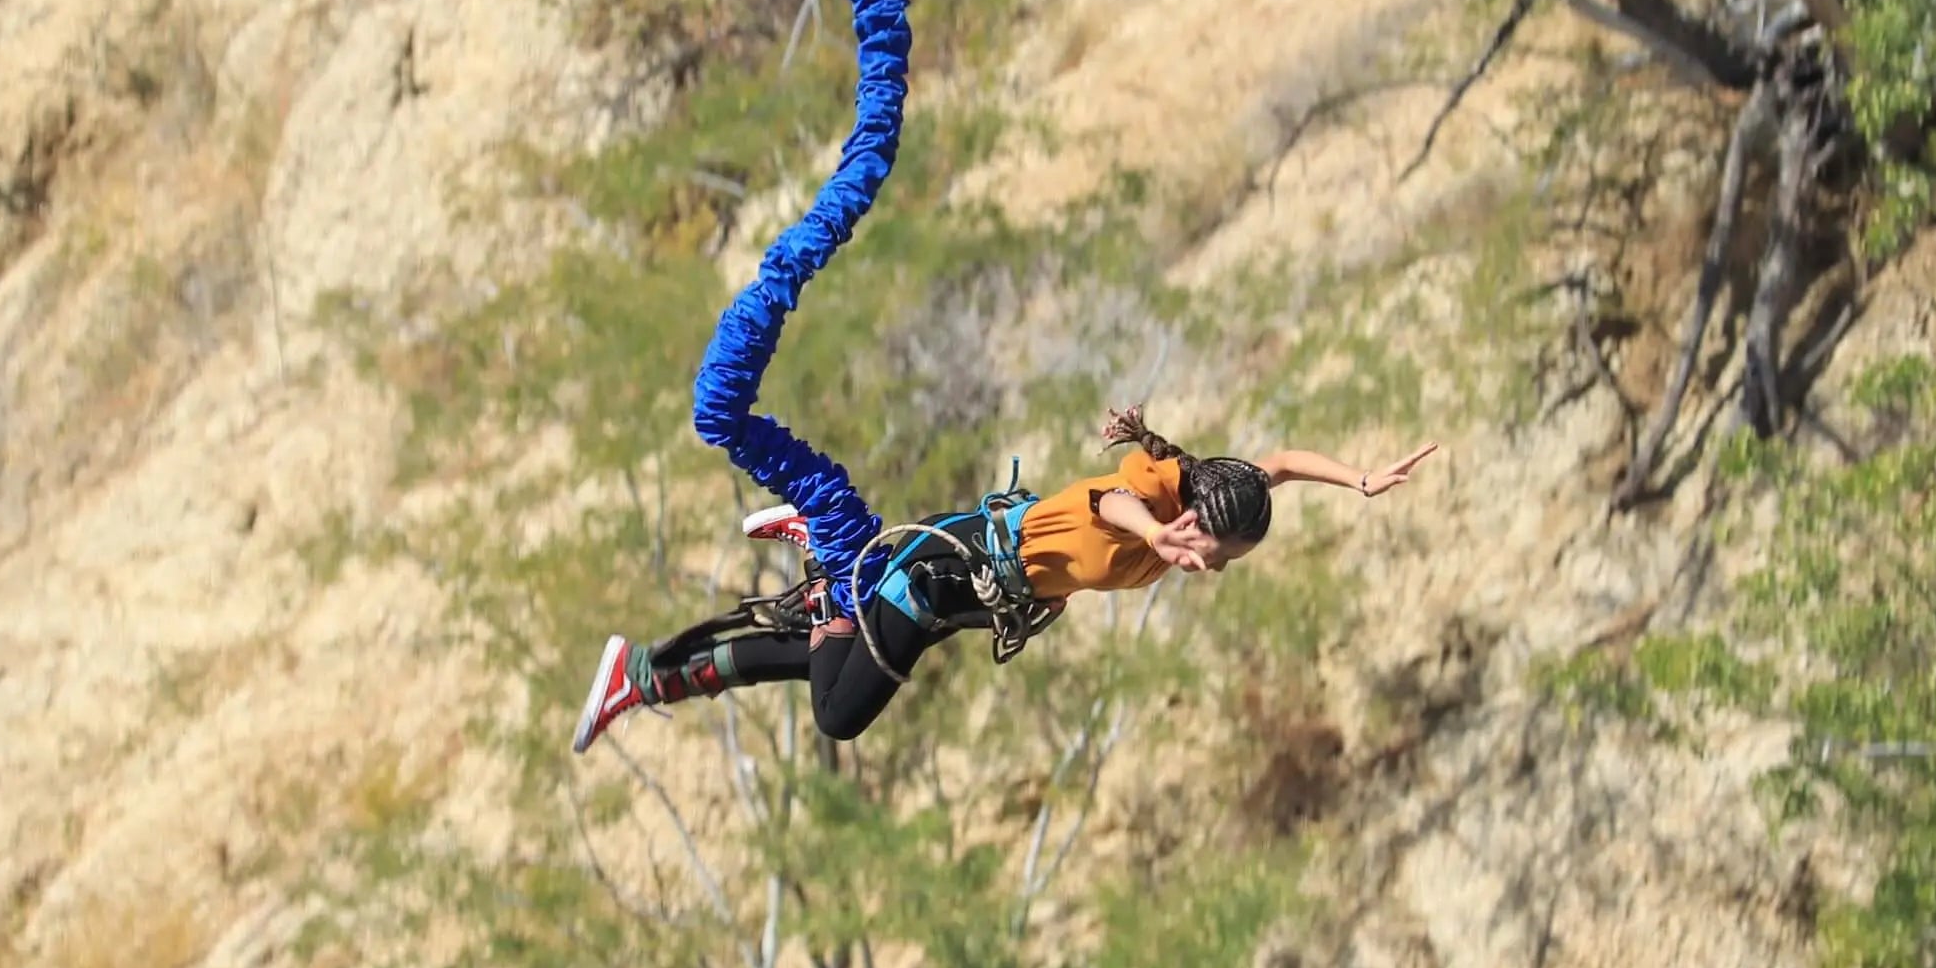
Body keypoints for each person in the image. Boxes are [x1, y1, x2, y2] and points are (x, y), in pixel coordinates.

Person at [572, 408, 1440, 753]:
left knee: (808, 663)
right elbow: (1106, 503)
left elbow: (1280, 460)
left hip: (974, 593)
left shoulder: (1211, 486)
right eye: (1213, 553)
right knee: (838, 713)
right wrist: (1158, 539)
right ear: (1194, 526)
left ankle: (643, 679)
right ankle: (837, 569)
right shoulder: (1153, 499)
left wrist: (1359, 479)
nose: (1211, 565)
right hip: (944, 579)